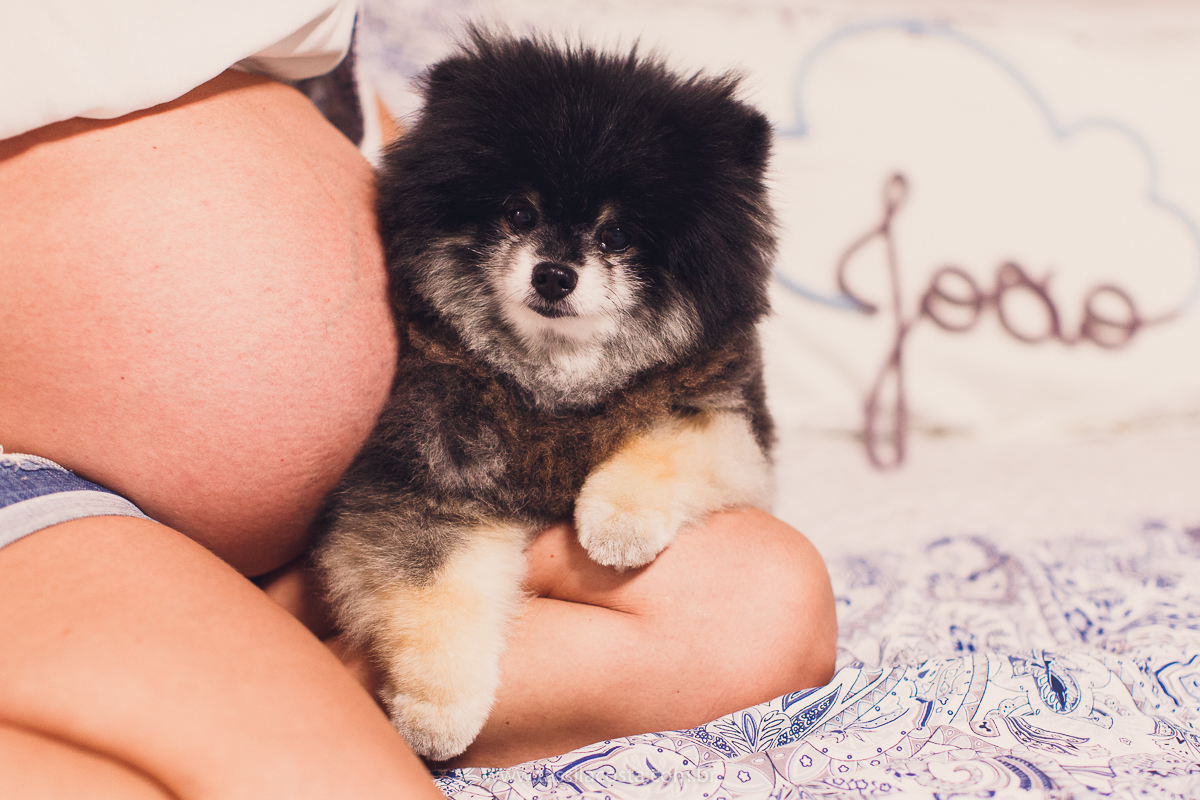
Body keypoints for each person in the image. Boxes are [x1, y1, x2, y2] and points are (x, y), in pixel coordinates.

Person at [0, 9, 836, 799]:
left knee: (763, 610)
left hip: (360, 514)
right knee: (316, 780)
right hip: (48, 487)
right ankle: (235, 709)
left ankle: (241, 673)